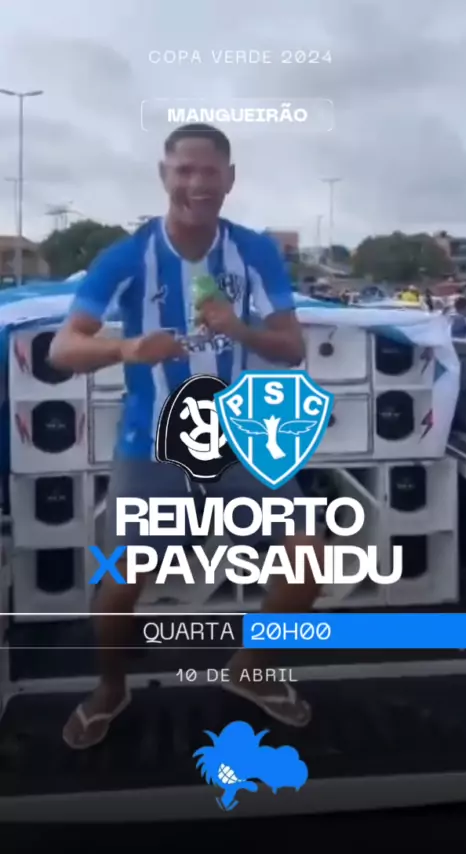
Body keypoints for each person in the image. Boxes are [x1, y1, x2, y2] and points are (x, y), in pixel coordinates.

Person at [50, 123, 326, 750]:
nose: (197, 183)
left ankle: (250, 669)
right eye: (184, 171)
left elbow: (291, 348)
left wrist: (239, 328)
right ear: (164, 175)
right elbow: (64, 349)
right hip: (152, 442)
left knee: (308, 555)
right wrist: (125, 347)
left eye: (209, 172)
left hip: (239, 436)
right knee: (121, 581)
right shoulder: (127, 257)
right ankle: (110, 688)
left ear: (230, 179)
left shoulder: (254, 252)